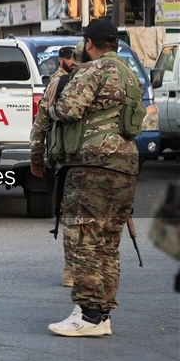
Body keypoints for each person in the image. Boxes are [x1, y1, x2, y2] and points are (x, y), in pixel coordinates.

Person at [47, 19, 141, 337]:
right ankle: (101, 315)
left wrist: (55, 106)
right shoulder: (131, 76)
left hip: (92, 165)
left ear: (89, 43)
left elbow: (68, 110)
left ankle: (86, 315)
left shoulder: (92, 70)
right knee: (109, 244)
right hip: (126, 166)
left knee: (84, 239)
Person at [30, 46, 77, 287]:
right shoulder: (110, 78)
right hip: (97, 159)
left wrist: (37, 157)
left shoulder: (61, 84)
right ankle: (83, 270)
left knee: (72, 215)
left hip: (72, 159)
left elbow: (41, 125)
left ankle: (73, 269)